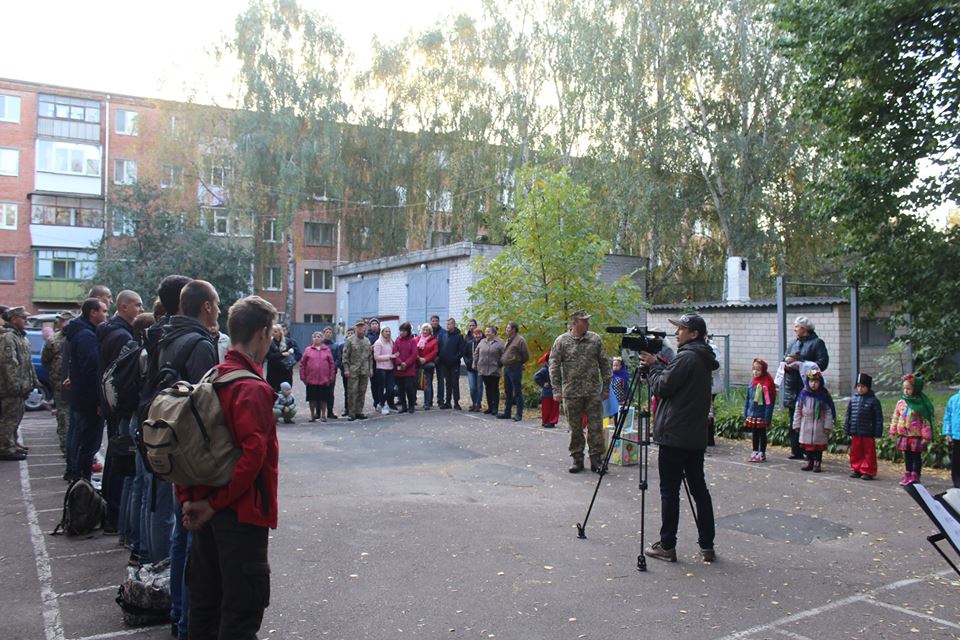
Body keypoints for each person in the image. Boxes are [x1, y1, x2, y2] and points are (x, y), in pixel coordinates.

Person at [178, 295, 279, 640]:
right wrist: (214, 504)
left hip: (204, 513)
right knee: (240, 616)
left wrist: (190, 500)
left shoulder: (212, 376)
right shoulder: (251, 388)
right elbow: (252, 460)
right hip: (240, 516)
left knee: (205, 611)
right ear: (263, 333)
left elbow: (186, 444)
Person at [159, 279, 221, 640]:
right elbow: (205, 407)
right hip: (189, 454)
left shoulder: (165, 335)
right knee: (190, 538)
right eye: (216, 303)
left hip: (167, 445)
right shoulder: (197, 343)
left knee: (178, 535)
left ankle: (178, 614)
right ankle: (185, 623)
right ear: (207, 307)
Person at [638, 312, 718, 563]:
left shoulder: (686, 357)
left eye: (681, 329)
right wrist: (660, 366)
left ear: (693, 333)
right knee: (699, 490)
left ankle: (667, 545)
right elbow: (675, 384)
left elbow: (663, 388)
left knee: (669, 491)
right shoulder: (703, 358)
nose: (676, 333)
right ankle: (707, 545)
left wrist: (652, 368)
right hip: (694, 435)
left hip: (674, 435)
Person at [97, 289, 144, 532]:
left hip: (113, 405)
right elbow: (121, 378)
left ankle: (112, 512)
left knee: (116, 459)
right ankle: (114, 515)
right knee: (122, 463)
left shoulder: (113, 331)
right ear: (123, 306)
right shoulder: (120, 337)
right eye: (136, 305)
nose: (140, 309)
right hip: (121, 408)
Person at [549, 311, 611, 474]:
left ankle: (596, 459)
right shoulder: (562, 341)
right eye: (585, 321)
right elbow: (554, 366)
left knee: (596, 427)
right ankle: (577, 459)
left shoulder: (595, 339)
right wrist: (556, 390)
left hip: (592, 392)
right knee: (575, 429)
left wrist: (606, 388)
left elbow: (605, 363)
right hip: (571, 393)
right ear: (575, 323)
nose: (588, 324)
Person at [63, 298, 108, 479]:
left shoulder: (83, 332)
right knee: (87, 443)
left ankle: (76, 473)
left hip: (80, 396)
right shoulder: (86, 336)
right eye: (104, 310)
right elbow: (92, 370)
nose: (106, 314)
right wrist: (98, 401)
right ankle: (81, 480)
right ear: (93, 312)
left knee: (79, 438)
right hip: (87, 400)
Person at [781, 316, 829, 460]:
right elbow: (785, 358)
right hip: (792, 386)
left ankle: (810, 452)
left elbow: (822, 363)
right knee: (793, 419)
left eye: (797, 326)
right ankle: (796, 450)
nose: (794, 329)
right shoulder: (793, 343)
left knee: (810, 419)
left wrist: (802, 362)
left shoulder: (817, 343)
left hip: (809, 387)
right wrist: (788, 364)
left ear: (804, 328)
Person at [0, 306, 39, 461]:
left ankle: (13, 443)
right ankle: (4, 447)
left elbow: (27, 363)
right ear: (14, 319)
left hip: (22, 386)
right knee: (9, 418)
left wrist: (33, 381)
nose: (26, 321)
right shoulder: (8, 337)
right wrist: (16, 386)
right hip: (11, 388)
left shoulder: (20, 336)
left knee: (16, 417)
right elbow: (9, 364)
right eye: (24, 318)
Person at [889, 373, 934, 486]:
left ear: (915, 389)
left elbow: (925, 421)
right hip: (905, 435)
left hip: (916, 436)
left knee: (916, 456)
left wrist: (926, 436)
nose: (906, 391)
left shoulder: (920, 404)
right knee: (907, 456)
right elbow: (896, 416)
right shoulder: (901, 402)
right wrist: (893, 429)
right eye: (904, 388)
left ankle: (915, 475)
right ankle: (907, 473)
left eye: (908, 388)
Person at [41, 310, 74, 454]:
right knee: (63, 414)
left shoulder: (77, 337)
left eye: (65, 320)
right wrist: (55, 374)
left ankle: (72, 444)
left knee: (75, 415)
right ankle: (65, 444)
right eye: (61, 320)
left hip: (76, 382)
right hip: (59, 383)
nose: (62, 323)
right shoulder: (53, 340)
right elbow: (45, 360)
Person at [792, 368, 835, 473]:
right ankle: (809, 461)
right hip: (806, 424)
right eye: (811, 381)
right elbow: (798, 409)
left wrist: (827, 426)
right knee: (808, 447)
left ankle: (817, 462)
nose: (813, 384)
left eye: (816, 381)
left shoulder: (823, 395)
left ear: (820, 382)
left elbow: (828, 411)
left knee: (818, 447)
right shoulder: (803, 394)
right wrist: (796, 424)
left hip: (819, 425)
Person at [844, 372, 884, 480]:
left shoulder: (874, 401)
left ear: (868, 387)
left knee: (869, 452)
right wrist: (847, 429)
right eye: (858, 386)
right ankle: (856, 468)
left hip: (868, 431)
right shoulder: (853, 400)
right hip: (855, 431)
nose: (860, 389)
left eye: (863, 386)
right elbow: (848, 415)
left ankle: (868, 470)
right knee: (855, 451)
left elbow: (878, 418)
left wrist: (877, 431)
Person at [743, 358, 777, 462]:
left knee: (762, 433)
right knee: (754, 433)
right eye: (754, 369)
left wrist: (767, 417)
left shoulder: (766, 384)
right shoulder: (752, 382)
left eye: (758, 370)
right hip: (753, 412)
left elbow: (768, 402)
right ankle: (754, 450)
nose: (755, 372)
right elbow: (748, 399)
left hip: (761, 414)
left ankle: (762, 452)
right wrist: (746, 412)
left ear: (763, 370)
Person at [300, 330, 336, 422]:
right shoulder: (308, 350)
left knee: (323, 399)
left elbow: (332, 364)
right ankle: (312, 415)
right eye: (315, 337)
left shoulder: (327, 350)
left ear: (322, 339)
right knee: (312, 399)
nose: (317, 338)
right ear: (312, 338)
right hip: (311, 379)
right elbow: (302, 364)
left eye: (319, 337)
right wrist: (303, 376)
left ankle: (323, 415)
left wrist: (331, 376)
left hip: (324, 379)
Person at [499, 321, 530, 421]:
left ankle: (519, 414)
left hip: (515, 368)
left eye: (508, 328)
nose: (506, 329)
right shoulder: (509, 340)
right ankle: (507, 412)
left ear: (513, 329)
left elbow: (526, 355)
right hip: (507, 368)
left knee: (517, 391)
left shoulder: (520, 340)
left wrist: (518, 362)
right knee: (508, 391)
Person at [342, 319, 372, 420]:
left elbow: (370, 357)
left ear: (364, 328)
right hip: (353, 369)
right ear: (355, 328)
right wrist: (346, 369)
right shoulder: (350, 340)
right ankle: (352, 413)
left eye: (362, 326)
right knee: (352, 391)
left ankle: (359, 411)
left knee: (362, 391)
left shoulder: (367, 340)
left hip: (364, 369)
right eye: (358, 326)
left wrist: (370, 369)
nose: (360, 328)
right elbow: (345, 356)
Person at [474, 326, 505, 416]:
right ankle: (490, 407)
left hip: (494, 369)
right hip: (483, 369)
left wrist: (500, 363)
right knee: (487, 388)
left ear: (493, 333)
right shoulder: (482, 341)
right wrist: (475, 364)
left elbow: (504, 354)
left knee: (494, 388)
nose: (486, 333)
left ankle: (495, 408)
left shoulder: (500, 342)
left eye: (488, 331)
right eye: (486, 331)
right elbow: (476, 353)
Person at [438, 318, 466, 410]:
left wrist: (454, 359)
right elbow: (441, 348)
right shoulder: (443, 335)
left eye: (449, 324)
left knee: (455, 383)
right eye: (447, 324)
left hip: (454, 364)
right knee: (448, 383)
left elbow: (462, 351)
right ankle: (448, 402)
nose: (448, 326)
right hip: (444, 364)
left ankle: (456, 402)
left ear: (454, 325)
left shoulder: (459, 336)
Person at [393, 322, 419, 413]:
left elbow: (414, 354)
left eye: (404, 331)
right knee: (401, 389)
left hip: (409, 369)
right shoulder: (397, 340)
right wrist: (400, 363)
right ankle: (403, 406)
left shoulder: (412, 341)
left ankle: (411, 405)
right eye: (401, 331)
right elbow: (395, 353)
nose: (402, 333)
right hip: (399, 369)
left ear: (408, 331)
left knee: (409, 388)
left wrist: (406, 363)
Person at [265, 325, 297, 393]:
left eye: (275, 331)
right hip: (273, 372)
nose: (273, 333)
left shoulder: (288, 341)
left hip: (286, 371)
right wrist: (281, 354)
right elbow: (269, 356)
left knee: (286, 393)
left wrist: (292, 353)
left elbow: (296, 352)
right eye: (272, 331)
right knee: (273, 393)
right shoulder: (269, 342)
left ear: (280, 332)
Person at [372, 326, 396, 415]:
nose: (388, 333)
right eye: (386, 331)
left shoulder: (391, 342)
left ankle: (380, 403)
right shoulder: (378, 343)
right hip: (381, 368)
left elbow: (394, 353)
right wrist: (389, 356)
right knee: (381, 388)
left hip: (390, 368)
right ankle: (382, 405)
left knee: (391, 389)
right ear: (382, 332)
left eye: (389, 331)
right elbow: (376, 357)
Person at [417, 323, 439, 410]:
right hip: (418, 364)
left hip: (428, 365)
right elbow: (414, 350)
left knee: (427, 384)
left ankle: (427, 403)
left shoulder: (434, 340)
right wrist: (419, 358)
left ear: (430, 331)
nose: (425, 331)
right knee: (417, 383)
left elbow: (435, 351)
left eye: (427, 330)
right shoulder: (417, 339)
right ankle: (413, 401)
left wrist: (425, 359)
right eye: (424, 329)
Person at [534, 351, 558, 428]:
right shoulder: (544, 370)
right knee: (546, 408)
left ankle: (552, 421)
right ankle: (546, 421)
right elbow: (536, 377)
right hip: (547, 392)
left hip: (555, 392)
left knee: (554, 408)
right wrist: (543, 383)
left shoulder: (557, 369)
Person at [322, 327, 341, 419]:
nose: (328, 334)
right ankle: (319, 412)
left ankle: (330, 411)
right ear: (323, 334)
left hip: (332, 372)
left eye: (330, 332)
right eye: (326, 332)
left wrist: (333, 367)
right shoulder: (319, 345)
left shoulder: (335, 346)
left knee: (330, 392)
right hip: (321, 372)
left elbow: (338, 358)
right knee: (320, 391)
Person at [464, 325, 484, 411]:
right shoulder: (469, 343)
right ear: (473, 334)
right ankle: (474, 402)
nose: (477, 335)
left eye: (479, 334)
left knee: (479, 386)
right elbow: (464, 354)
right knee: (472, 387)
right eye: (476, 334)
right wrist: (468, 362)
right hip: (470, 369)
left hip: (480, 369)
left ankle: (478, 404)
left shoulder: (484, 343)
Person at [944, 386, 960, 489]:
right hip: (956, 435)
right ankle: (957, 480)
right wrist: (948, 432)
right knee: (957, 460)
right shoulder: (954, 399)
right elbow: (948, 417)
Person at [430, 315, 448, 407]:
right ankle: (429, 400)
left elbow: (445, 347)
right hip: (430, 360)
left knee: (440, 381)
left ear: (439, 321)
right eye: (433, 321)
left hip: (440, 360)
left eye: (436, 320)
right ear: (431, 322)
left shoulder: (444, 332)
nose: (435, 322)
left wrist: (439, 357)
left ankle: (440, 401)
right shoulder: (428, 332)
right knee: (429, 381)